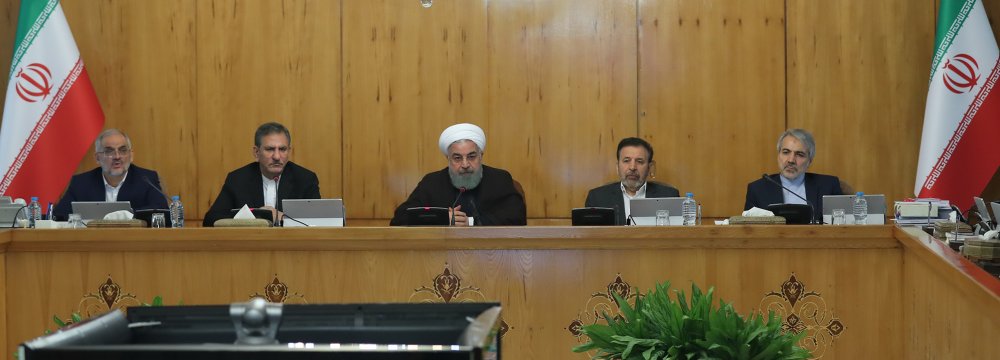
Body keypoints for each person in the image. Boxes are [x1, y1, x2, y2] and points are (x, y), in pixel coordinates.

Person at [390, 123, 526, 226]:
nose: (465, 164)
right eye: (457, 158)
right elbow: (400, 218)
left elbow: (517, 217)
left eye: (471, 156)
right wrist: (442, 218)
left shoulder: (499, 179)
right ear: (448, 159)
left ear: (481, 156)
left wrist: (471, 222)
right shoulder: (432, 183)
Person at [203, 122, 320, 226]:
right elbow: (210, 220)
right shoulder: (238, 179)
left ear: (289, 151)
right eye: (270, 149)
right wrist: (256, 217)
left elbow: (320, 222)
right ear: (256, 152)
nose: (277, 156)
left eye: (282, 149)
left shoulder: (305, 179)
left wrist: (283, 218)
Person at [52, 129, 169, 220]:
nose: (117, 156)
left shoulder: (147, 179)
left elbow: (162, 211)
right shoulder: (81, 183)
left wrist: (128, 214)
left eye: (123, 150)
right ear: (97, 158)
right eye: (109, 151)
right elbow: (59, 216)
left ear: (131, 155)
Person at [744, 128, 843, 220]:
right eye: (786, 152)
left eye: (799, 154)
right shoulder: (757, 190)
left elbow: (841, 226)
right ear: (778, 155)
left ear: (810, 161)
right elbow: (749, 230)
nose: (791, 160)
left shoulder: (829, 186)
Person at [584, 137, 680, 225]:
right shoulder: (597, 198)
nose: (632, 167)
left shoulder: (669, 195)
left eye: (639, 161)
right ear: (617, 167)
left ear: (649, 167)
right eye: (626, 161)